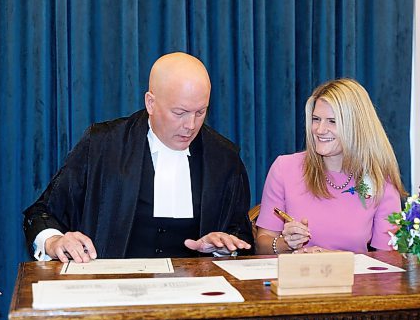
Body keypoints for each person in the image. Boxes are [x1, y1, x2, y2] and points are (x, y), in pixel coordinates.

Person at [23, 52, 253, 263]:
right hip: (112, 293)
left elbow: (240, 234)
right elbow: (42, 213)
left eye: (200, 112)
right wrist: (54, 241)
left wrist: (222, 246)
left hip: (196, 295)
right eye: (180, 113)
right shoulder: (103, 145)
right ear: (150, 103)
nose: (190, 125)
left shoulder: (224, 157)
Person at [255, 78, 407, 255]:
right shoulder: (285, 168)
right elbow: (261, 246)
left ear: (357, 127)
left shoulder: (381, 181)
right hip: (295, 281)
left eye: (332, 121)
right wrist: (286, 244)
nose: (319, 130)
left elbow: (387, 262)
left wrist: (336, 260)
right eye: (316, 119)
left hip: (353, 281)